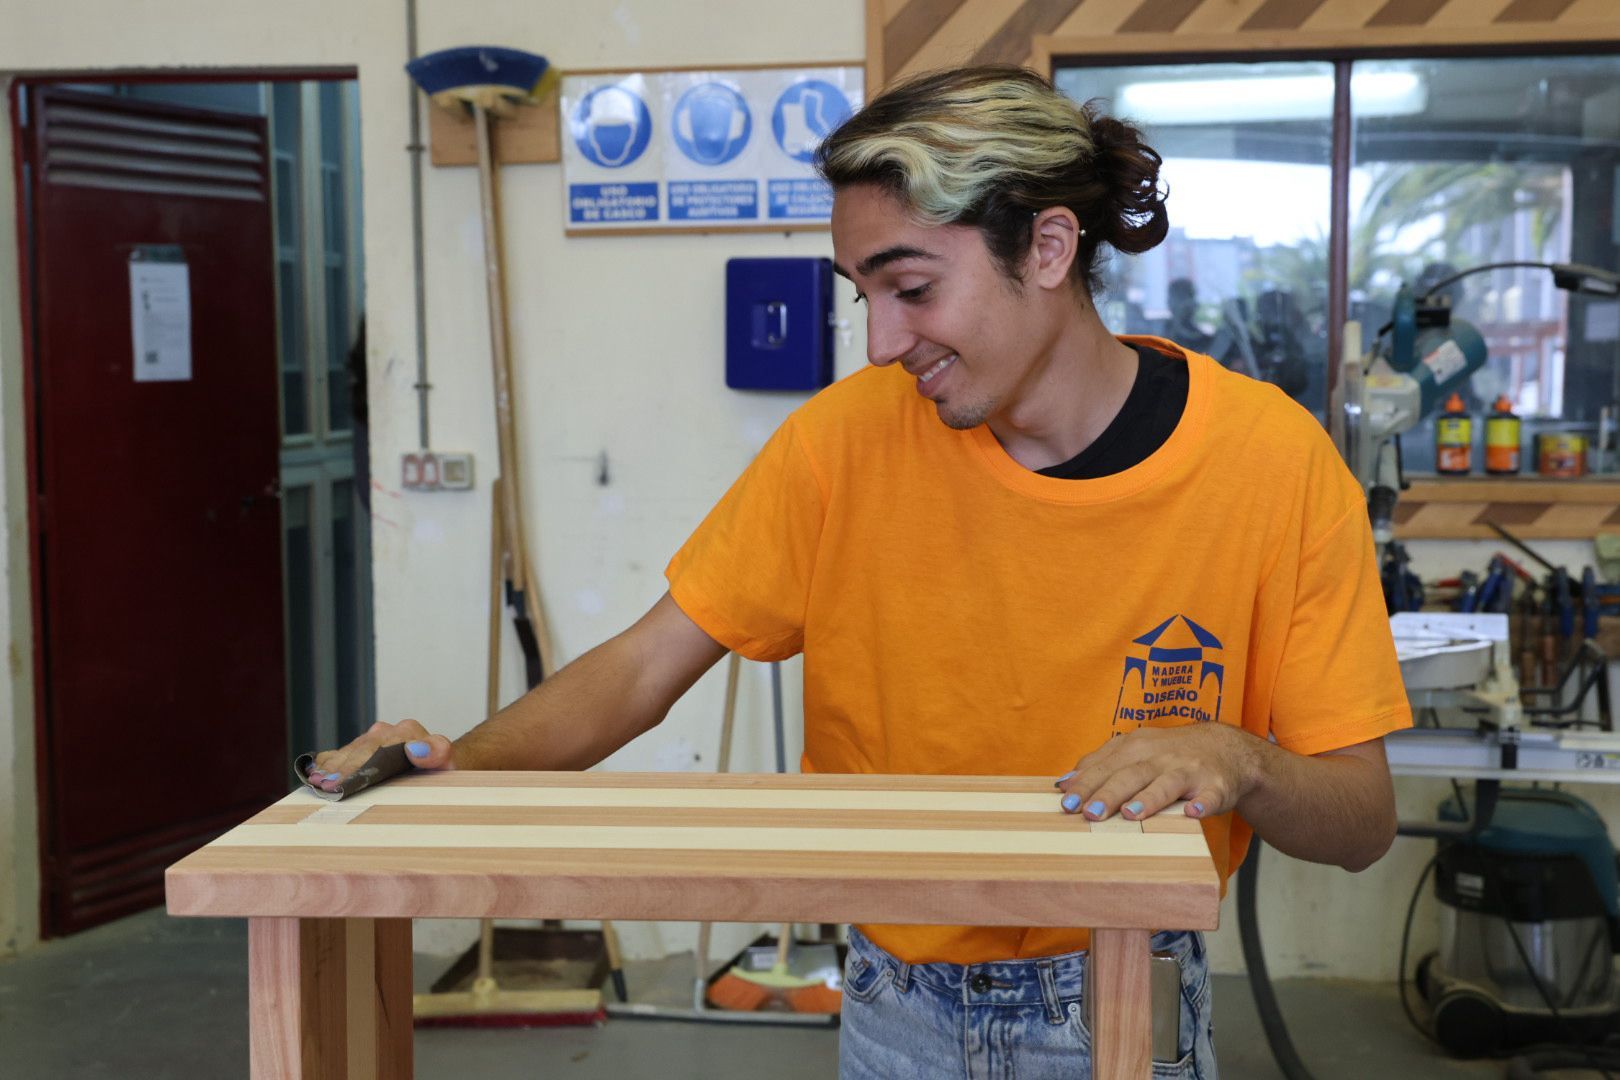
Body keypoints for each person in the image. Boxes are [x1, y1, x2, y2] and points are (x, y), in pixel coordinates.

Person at [309, 66, 1410, 1079]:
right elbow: (645, 667)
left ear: (1050, 248)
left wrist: (1239, 760)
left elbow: (1360, 822)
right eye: (861, 295)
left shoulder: (1272, 467)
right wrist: (455, 766)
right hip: (890, 1004)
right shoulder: (846, 443)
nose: (882, 341)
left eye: (913, 288)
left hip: (1128, 1003)